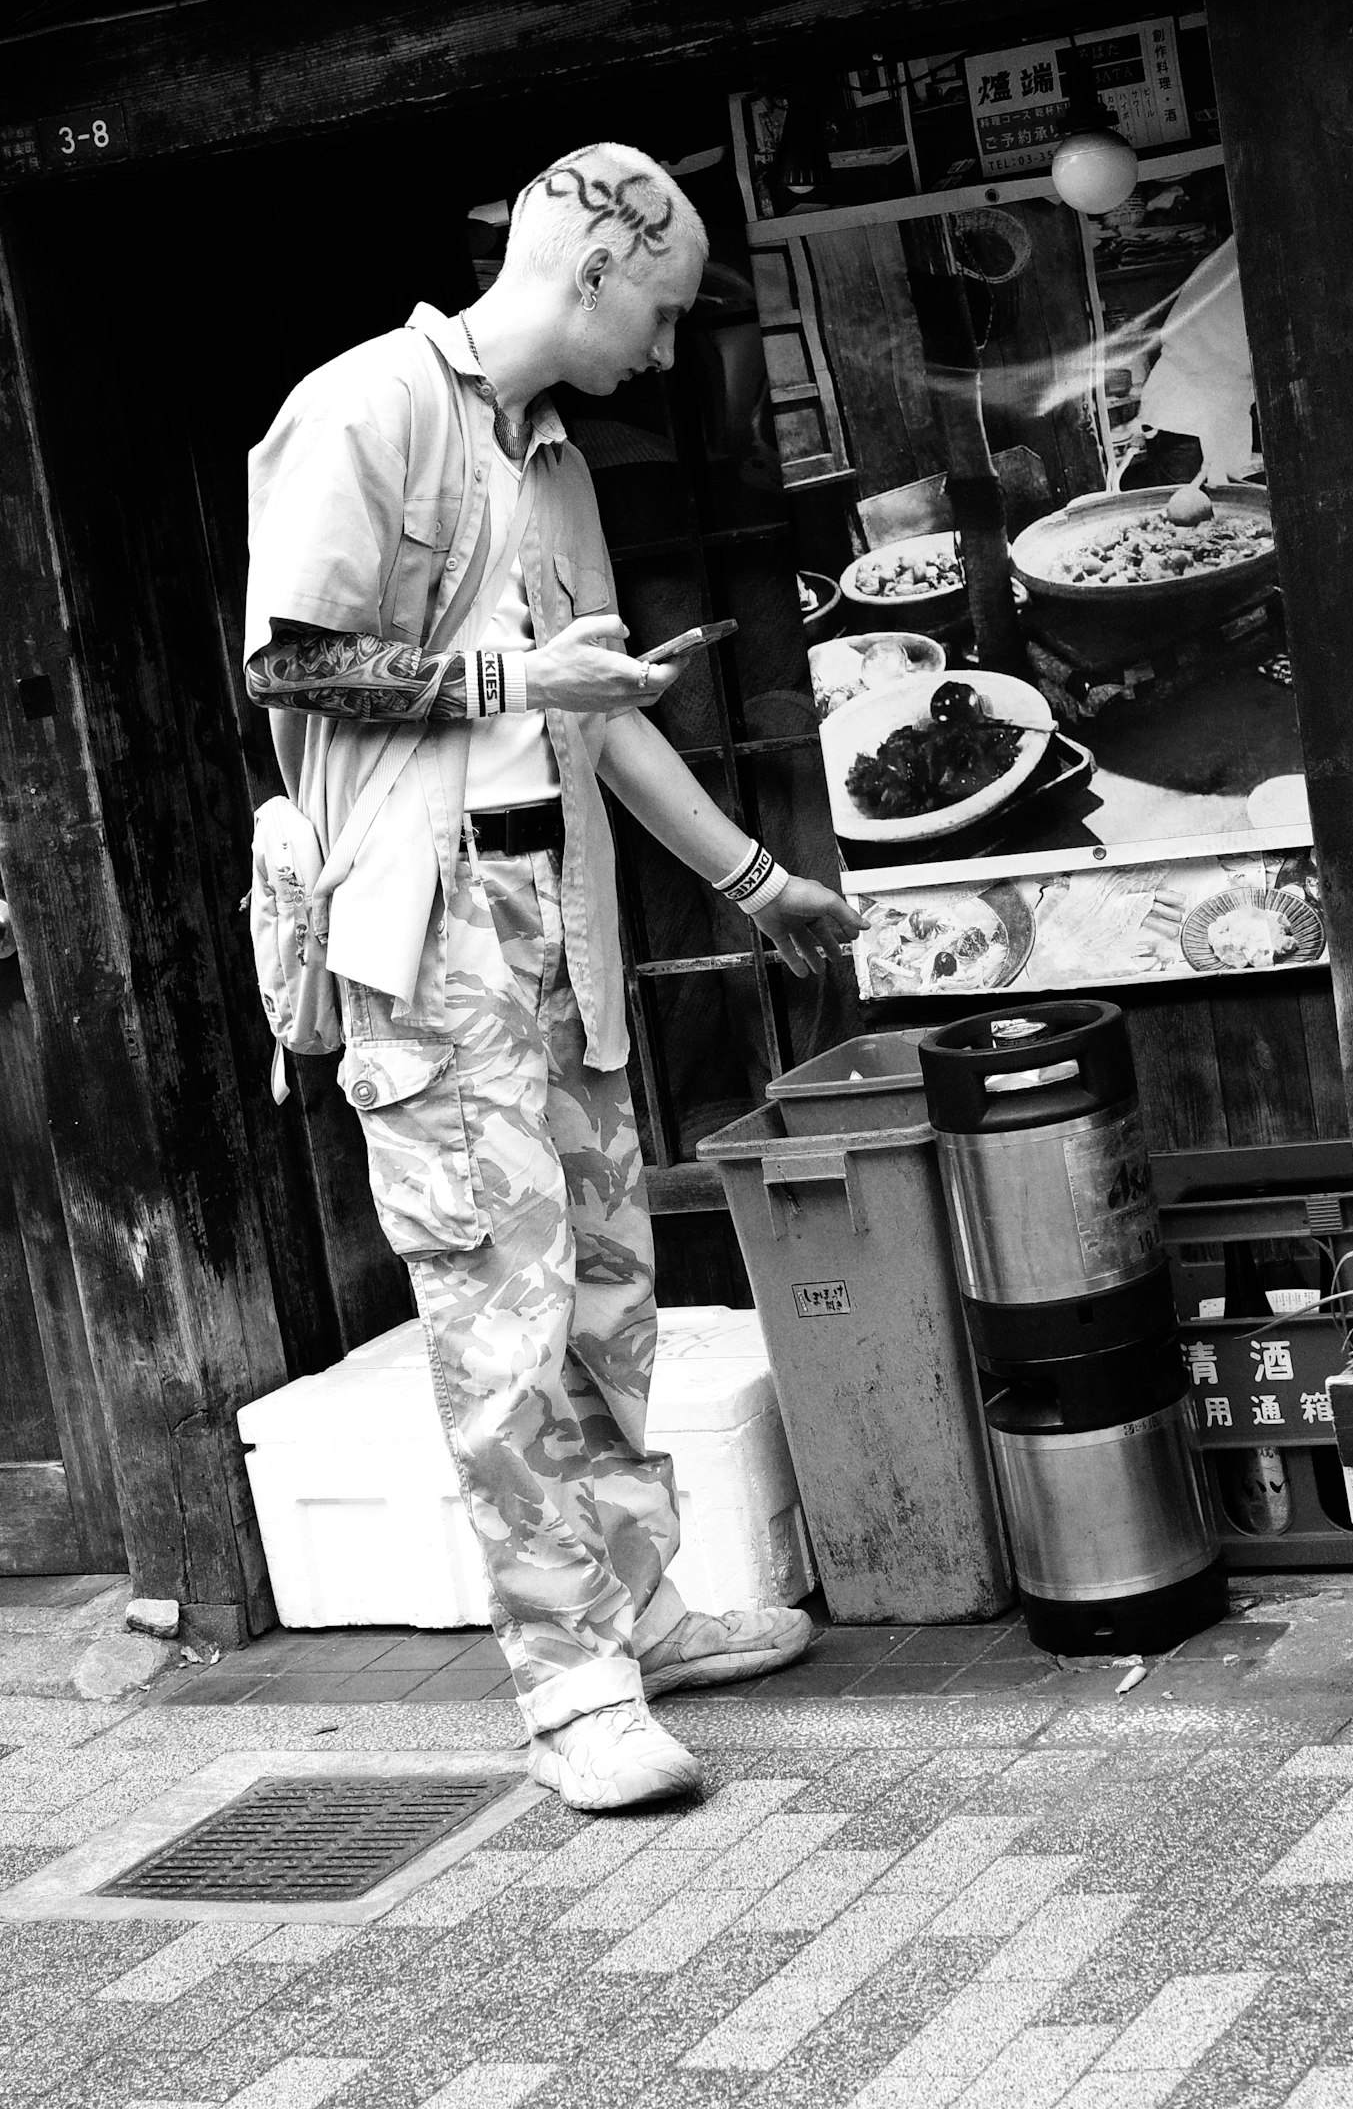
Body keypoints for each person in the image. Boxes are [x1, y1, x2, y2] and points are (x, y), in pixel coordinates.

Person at [238, 143, 868, 1812]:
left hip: (559, 909)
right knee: (493, 1307)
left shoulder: (564, 468)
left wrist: (754, 879)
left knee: (601, 1279)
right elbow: (288, 660)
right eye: (658, 314)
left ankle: (641, 1608)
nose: (662, 354)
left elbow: (595, 707)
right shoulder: (362, 406)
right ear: (591, 270)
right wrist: (516, 668)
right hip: (425, 930)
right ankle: (570, 1685)